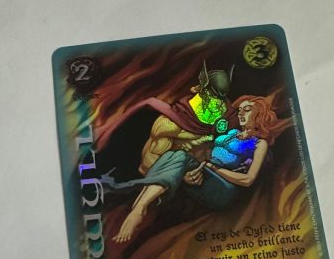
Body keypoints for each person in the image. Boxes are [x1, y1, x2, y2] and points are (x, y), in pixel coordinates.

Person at [102, 93, 291, 243]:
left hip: (225, 191)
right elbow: (205, 157)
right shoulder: (232, 132)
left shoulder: (259, 143)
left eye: (247, 110)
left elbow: (248, 180)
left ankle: (139, 207)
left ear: (260, 113)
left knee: (180, 157)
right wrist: (192, 172)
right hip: (207, 175)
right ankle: (139, 208)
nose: (241, 113)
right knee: (175, 155)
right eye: (240, 110)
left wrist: (213, 169)